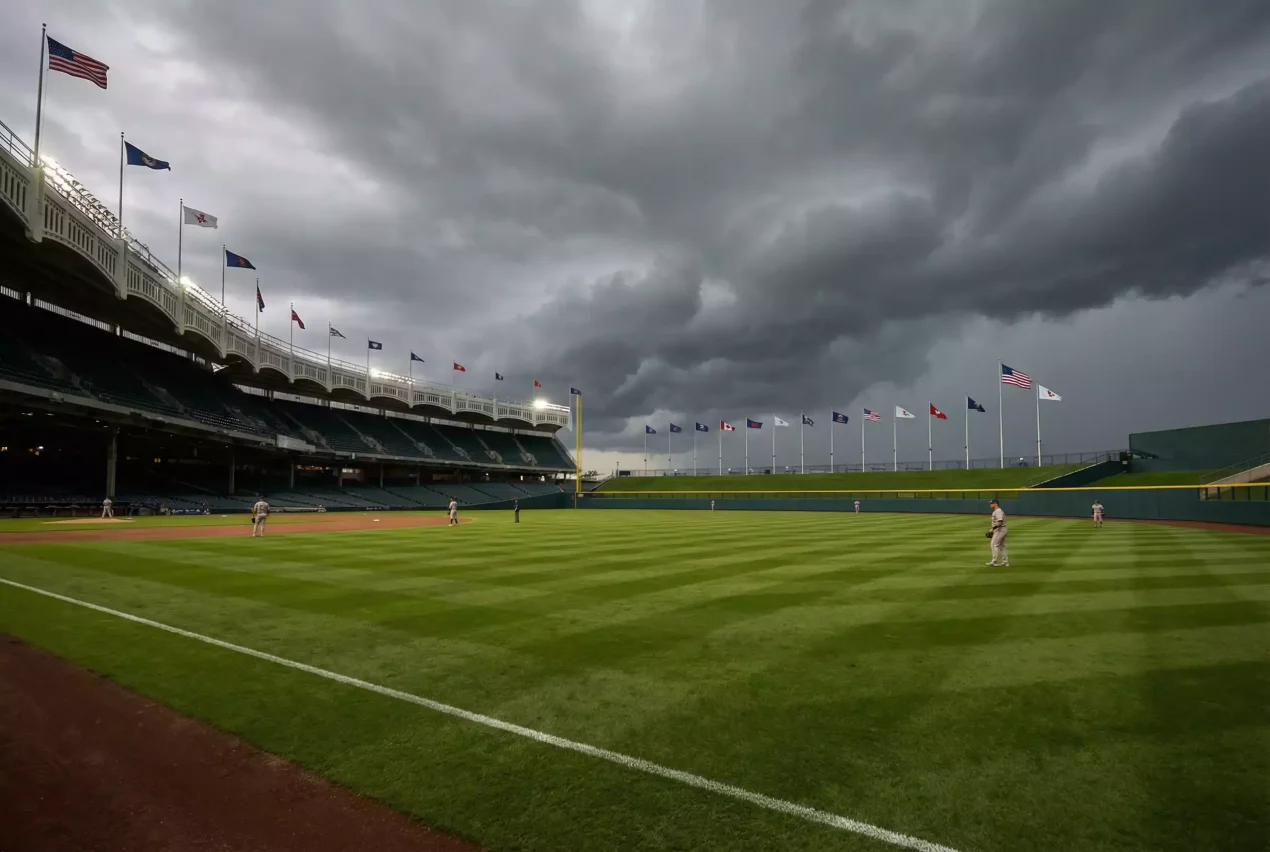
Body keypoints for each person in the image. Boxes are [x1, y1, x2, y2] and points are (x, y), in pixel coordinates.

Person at [986, 498, 1008, 566]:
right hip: (1002, 530)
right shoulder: (997, 511)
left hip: (1000, 530)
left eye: (991, 503)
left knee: (994, 544)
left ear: (995, 504)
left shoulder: (998, 511)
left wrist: (993, 529)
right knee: (1001, 546)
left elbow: (1000, 522)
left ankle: (994, 561)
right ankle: (1005, 562)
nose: (990, 504)